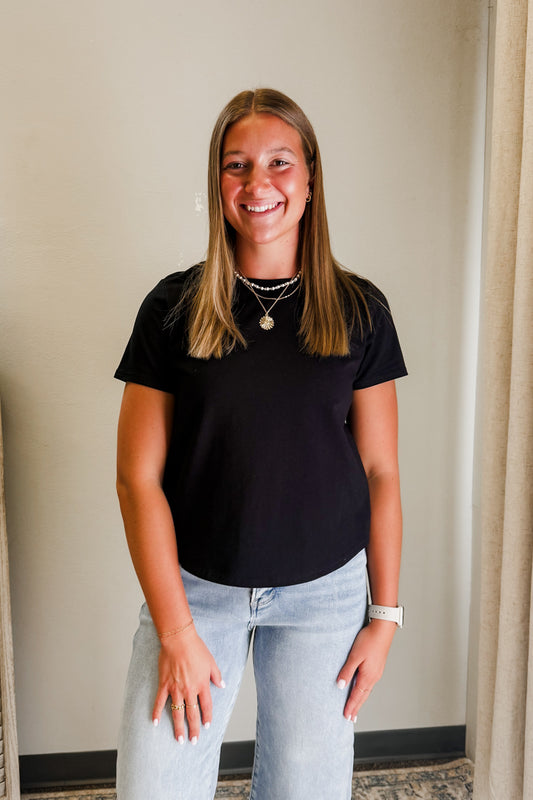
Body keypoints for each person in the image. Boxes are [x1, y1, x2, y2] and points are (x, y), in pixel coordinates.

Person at [114, 87, 407, 800]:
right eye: (236, 164)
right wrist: (178, 634)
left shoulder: (359, 308)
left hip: (325, 595)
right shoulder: (174, 308)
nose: (257, 183)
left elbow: (380, 471)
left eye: (279, 162)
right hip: (195, 593)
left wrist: (384, 617)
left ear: (309, 179)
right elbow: (136, 480)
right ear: (217, 184)